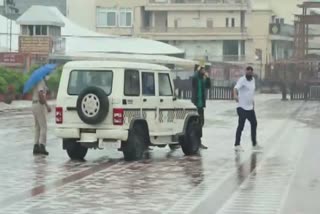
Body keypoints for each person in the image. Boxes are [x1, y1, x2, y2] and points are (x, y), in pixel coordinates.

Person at [233, 66, 262, 152]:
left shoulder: (253, 80)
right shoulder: (242, 80)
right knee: (241, 125)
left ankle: (254, 144)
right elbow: (235, 88)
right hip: (242, 107)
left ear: (252, 73)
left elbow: (251, 93)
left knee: (254, 123)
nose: (249, 74)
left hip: (250, 108)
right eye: (247, 72)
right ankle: (237, 144)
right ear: (246, 72)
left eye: (250, 72)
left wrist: (253, 104)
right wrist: (235, 95)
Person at [191, 65, 211, 149]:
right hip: (195, 104)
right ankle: (196, 142)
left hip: (201, 105)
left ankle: (198, 142)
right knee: (196, 124)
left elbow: (208, 86)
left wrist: (208, 78)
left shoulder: (203, 79)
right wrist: (198, 70)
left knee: (201, 123)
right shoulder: (196, 78)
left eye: (204, 70)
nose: (204, 71)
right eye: (202, 70)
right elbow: (194, 77)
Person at [32, 76, 51, 155]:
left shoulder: (36, 80)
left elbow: (43, 91)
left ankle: (36, 146)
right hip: (39, 104)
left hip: (34, 104)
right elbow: (40, 93)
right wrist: (47, 106)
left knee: (37, 127)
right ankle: (42, 146)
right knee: (43, 126)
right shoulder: (40, 80)